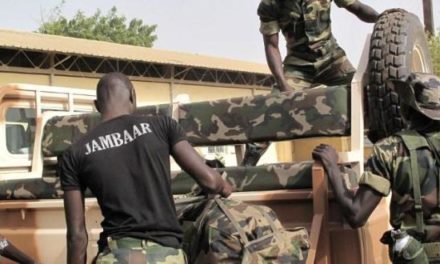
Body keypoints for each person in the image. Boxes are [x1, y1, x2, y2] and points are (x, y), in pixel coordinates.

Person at [59, 72, 233, 264]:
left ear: (97, 105)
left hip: (116, 254)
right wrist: (224, 186)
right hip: (167, 254)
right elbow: (210, 181)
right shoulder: (162, 125)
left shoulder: (74, 153)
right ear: (133, 96)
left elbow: (76, 236)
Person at [313, 73, 440, 263]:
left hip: (417, 256)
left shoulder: (390, 149)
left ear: (406, 109)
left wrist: (332, 168)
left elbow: (356, 215)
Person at [240, 0, 380, 167]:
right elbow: (271, 45)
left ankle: (385, 150)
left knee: (367, 94)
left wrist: (381, 18)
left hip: (332, 59)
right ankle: (248, 163)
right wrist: (283, 83)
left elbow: (356, 7)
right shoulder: (270, 4)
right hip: (298, 65)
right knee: (272, 106)